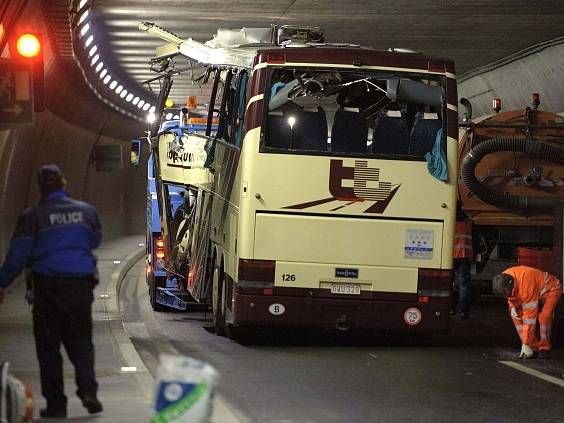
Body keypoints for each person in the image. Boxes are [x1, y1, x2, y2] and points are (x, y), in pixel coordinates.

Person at [0, 164, 103, 418]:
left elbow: (17, 256)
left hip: (47, 289)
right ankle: (89, 392)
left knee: (49, 349)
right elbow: (95, 240)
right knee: (81, 343)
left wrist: (2, 282)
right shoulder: (86, 212)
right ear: (63, 183)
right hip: (80, 287)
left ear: (40, 187)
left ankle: (57, 405)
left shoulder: (32, 217)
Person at [492, 265, 563, 359]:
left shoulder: (526, 286)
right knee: (515, 315)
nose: (507, 297)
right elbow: (511, 295)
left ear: (511, 284)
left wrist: (525, 343)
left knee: (544, 317)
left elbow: (530, 318)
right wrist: (512, 306)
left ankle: (544, 348)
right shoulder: (505, 279)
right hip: (536, 289)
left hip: (551, 289)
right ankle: (533, 347)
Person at [452, 206, 473, 319]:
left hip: (450, 256)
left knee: (450, 284)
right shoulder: (469, 222)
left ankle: (451, 309)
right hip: (465, 255)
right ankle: (463, 311)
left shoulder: (450, 222)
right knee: (464, 285)